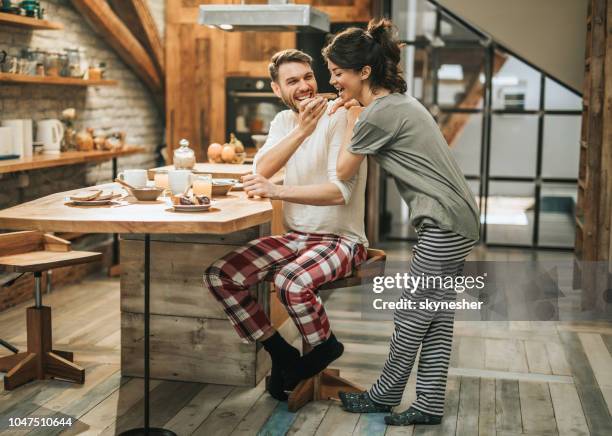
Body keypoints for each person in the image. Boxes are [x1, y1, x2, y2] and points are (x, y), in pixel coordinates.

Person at [322, 19, 480, 426]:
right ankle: (427, 403)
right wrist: (356, 107)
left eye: (338, 73)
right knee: (436, 316)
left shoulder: (379, 115)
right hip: (455, 218)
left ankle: (385, 393)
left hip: (444, 221)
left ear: (364, 72)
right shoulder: (395, 105)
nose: (334, 81)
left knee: (412, 312)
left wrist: (349, 117)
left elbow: (342, 170)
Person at [203, 49, 368, 401]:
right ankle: (282, 353)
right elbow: (259, 170)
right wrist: (301, 130)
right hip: (296, 237)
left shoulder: (341, 118)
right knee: (221, 275)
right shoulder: (282, 122)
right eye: (292, 81)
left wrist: (278, 190)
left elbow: (339, 192)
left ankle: (324, 347)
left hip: (342, 239)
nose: (305, 86)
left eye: (308, 77)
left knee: (289, 281)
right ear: (278, 90)